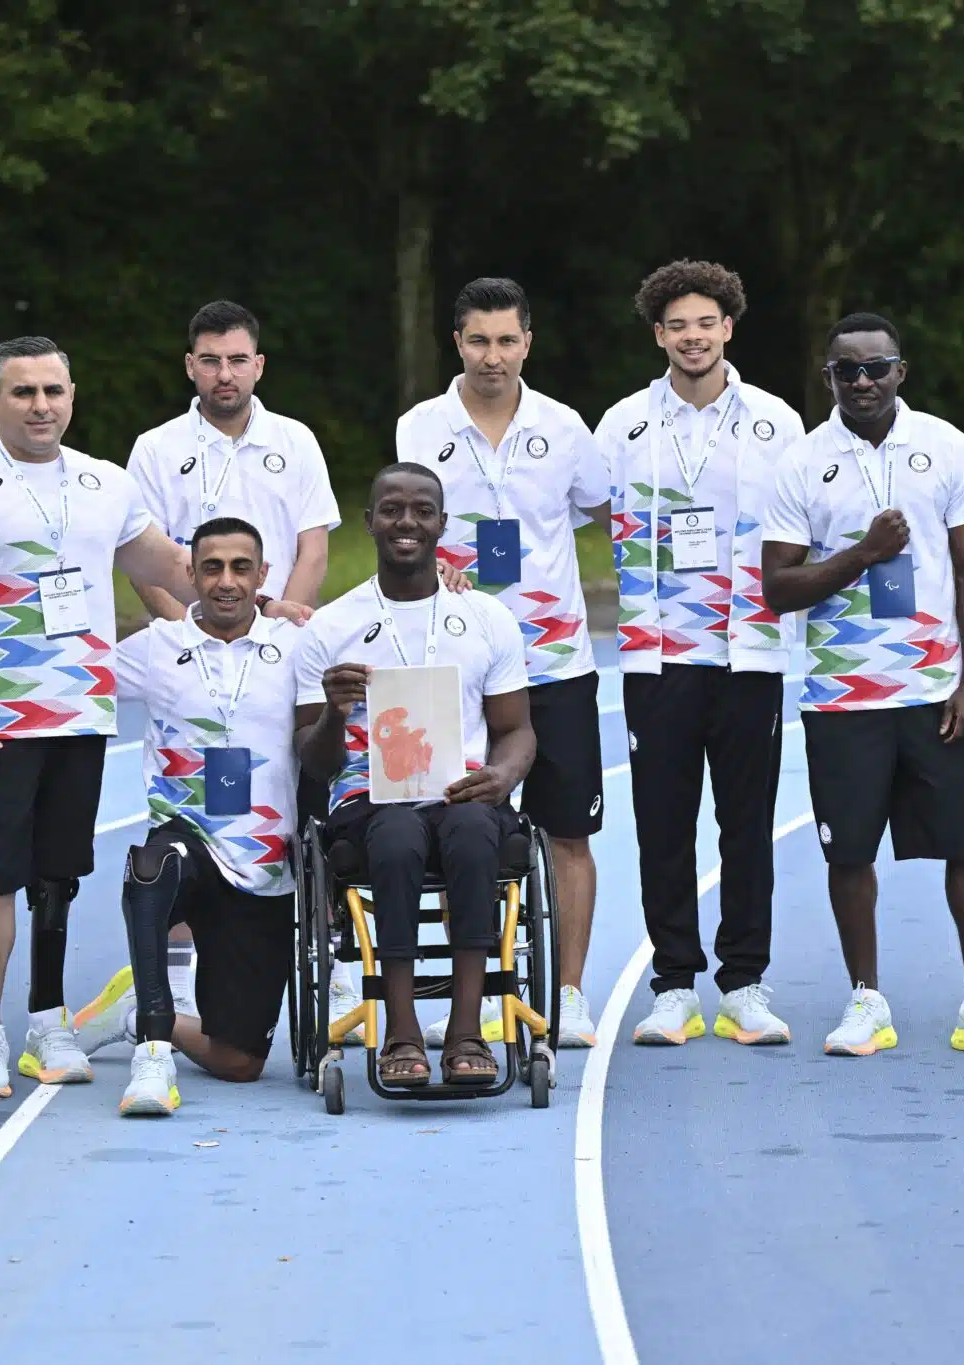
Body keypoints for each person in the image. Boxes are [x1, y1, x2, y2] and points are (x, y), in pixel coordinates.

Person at [0, 336, 299, 1100]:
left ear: (73, 395)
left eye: (53, 390)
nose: (40, 406)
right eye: (22, 392)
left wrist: (272, 611)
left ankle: (47, 1022)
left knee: (58, 882)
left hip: (82, 716)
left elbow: (179, 570)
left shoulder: (104, 485)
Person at [761, 312, 964, 1056]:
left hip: (933, 691)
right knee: (849, 854)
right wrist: (862, 554)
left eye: (877, 368)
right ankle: (866, 1000)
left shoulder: (948, 447)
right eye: (849, 371)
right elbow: (779, 588)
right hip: (843, 700)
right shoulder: (802, 464)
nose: (864, 381)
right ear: (829, 378)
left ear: (902, 370)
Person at [393, 277, 609, 1049]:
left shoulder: (565, 426)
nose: (493, 356)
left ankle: (572, 993)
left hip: (554, 660)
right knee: (462, 828)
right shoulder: (421, 427)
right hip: (454, 662)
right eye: (478, 340)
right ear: (457, 342)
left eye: (507, 340)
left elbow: (598, 510)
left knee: (568, 835)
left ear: (528, 342)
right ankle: (473, 991)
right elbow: (407, 527)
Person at [593, 259, 803, 1046]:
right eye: (676, 324)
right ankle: (675, 982)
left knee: (746, 824)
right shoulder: (622, 425)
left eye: (705, 322)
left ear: (729, 328)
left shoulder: (778, 422)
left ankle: (745, 979)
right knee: (663, 823)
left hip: (749, 652)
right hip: (657, 657)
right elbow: (565, 509)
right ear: (658, 334)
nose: (692, 336)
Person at [120, 300, 344, 1035]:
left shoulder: (296, 440)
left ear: (259, 365)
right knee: (187, 814)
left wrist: (285, 627)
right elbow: (144, 557)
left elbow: (312, 546)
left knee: (305, 803)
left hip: (276, 647)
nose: (225, 372)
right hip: (191, 653)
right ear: (191, 365)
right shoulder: (155, 448)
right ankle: (171, 987)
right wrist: (184, 633)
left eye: (238, 359)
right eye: (210, 359)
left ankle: (333, 964)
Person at [294, 463, 536, 1088]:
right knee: (398, 837)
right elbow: (312, 761)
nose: (407, 522)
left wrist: (503, 775)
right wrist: (333, 712)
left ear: (442, 525)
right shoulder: (330, 629)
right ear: (369, 521)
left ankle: (465, 1031)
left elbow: (516, 729)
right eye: (392, 509)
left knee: (472, 832)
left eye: (422, 511)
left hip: (465, 794)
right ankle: (400, 1031)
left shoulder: (487, 618)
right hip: (370, 802)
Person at [62, 517, 307, 1115]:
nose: (226, 581)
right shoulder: (155, 647)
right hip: (188, 845)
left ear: (262, 577)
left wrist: (443, 577)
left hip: (266, 867)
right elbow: (63, 677)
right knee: (150, 863)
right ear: (191, 576)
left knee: (240, 1063)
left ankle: (147, 1019)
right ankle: (150, 1052)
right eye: (212, 568)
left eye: (241, 568)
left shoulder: (300, 645)